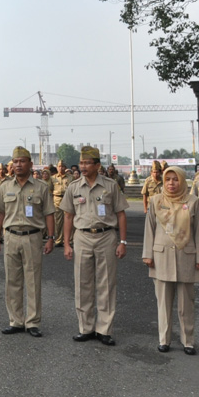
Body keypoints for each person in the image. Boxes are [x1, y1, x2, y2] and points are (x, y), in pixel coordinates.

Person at [61, 146, 129, 346]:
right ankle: (86, 328)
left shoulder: (110, 186)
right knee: (82, 283)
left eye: (87, 163)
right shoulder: (73, 187)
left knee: (106, 284)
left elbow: (121, 213)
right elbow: (67, 216)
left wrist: (123, 242)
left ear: (97, 165)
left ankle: (104, 329)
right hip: (82, 237)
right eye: (81, 163)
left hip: (106, 236)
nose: (83, 166)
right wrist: (66, 243)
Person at [142, 166, 199, 355]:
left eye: (175, 179)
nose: (171, 183)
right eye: (168, 179)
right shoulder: (156, 200)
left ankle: (188, 341)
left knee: (187, 303)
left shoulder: (193, 201)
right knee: (163, 303)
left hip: (186, 256)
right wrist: (148, 254)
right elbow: (150, 229)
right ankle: (164, 340)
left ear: (182, 180)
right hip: (161, 257)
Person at [0, 147, 55, 337]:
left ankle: (33, 322)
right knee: (12, 281)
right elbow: (0, 213)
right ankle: (16, 321)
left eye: (22, 161)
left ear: (30, 164)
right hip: (10, 237)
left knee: (33, 281)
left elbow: (49, 214)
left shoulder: (41, 187)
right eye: (15, 161)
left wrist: (51, 238)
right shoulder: (5, 187)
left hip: (33, 237)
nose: (18, 165)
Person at [51, 161, 72, 248]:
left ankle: (69, 240)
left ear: (65, 167)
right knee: (58, 221)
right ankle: (58, 240)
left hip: (67, 198)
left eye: (63, 166)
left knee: (69, 219)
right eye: (59, 166)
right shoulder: (53, 178)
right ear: (57, 167)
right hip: (57, 199)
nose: (61, 168)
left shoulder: (71, 177)